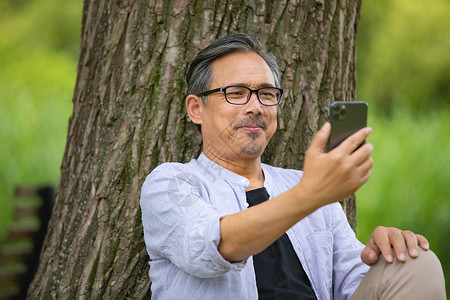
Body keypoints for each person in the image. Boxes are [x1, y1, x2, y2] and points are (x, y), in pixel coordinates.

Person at [140, 34, 446, 299]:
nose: (256, 106)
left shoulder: (305, 186)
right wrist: (310, 195)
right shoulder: (171, 183)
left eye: (267, 94)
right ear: (196, 109)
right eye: (235, 93)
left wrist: (382, 254)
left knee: (416, 261)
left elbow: (354, 285)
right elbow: (214, 246)